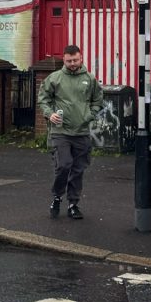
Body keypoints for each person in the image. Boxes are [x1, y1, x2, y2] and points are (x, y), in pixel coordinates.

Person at [38, 44, 104, 220]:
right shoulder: (55, 78)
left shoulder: (90, 79)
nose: (72, 63)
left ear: (81, 58)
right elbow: (43, 100)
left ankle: (73, 204)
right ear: (64, 60)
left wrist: (90, 115)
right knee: (64, 165)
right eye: (69, 61)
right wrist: (49, 114)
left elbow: (98, 100)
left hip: (81, 131)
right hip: (60, 132)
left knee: (78, 169)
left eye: (75, 60)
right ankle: (57, 196)